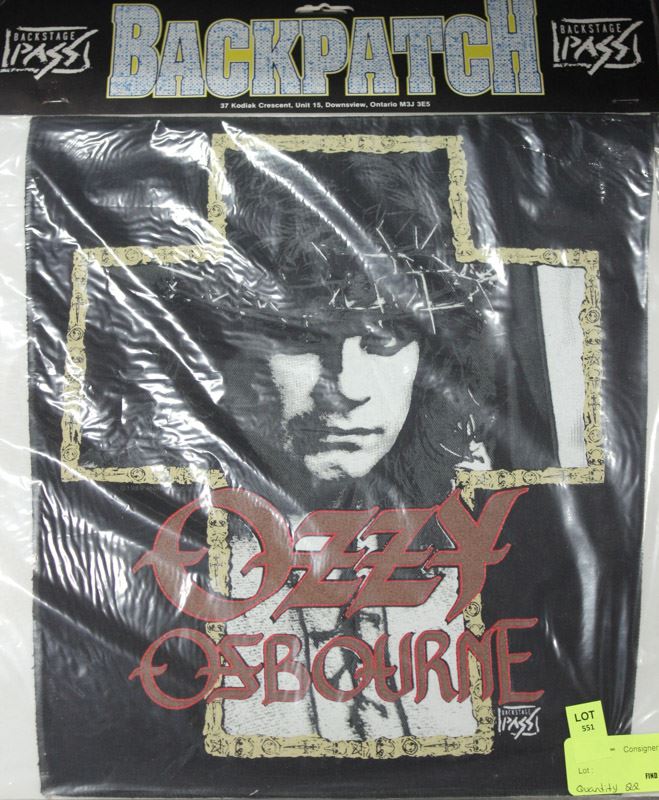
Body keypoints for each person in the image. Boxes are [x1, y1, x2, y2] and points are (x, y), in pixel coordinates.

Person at [158, 138, 496, 743]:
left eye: (383, 340)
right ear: (230, 353)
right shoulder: (169, 523)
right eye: (303, 339)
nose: (348, 391)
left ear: (430, 358)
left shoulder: (472, 512)